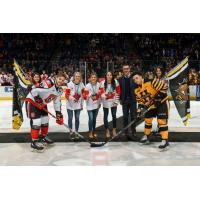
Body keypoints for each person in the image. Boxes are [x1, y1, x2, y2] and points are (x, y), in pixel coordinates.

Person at [25, 72, 66, 152]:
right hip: (32, 102)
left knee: (45, 120)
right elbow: (32, 89)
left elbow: (57, 102)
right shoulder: (48, 83)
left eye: (63, 80)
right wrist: (37, 98)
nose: (61, 81)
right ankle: (34, 142)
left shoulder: (60, 90)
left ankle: (43, 137)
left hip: (42, 104)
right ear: (56, 78)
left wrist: (58, 113)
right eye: (59, 79)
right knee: (37, 121)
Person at [132, 72, 170, 150]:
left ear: (141, 77)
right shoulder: (136, 89)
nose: (135, 80)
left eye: (136, 78)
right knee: (147, 120)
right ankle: (147, 136)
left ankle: (165, 140)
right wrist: (139, 111)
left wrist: (158, 97)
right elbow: (140, 101)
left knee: (161, 121)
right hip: (151, 105)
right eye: (134, 79)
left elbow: (165, 87)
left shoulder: (151, 81)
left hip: (162, 102)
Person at [100, 71, 120, 139]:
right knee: (105, 116)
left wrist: (116, 102)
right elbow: (100, 93)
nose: (109, 76)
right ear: (106, 76)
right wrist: (104, 96)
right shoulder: (102, 83)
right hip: (105, 102)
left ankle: (114, 130)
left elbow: (118, 92)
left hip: (113, 102)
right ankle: (107, 130)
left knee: (114, 116)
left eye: (110, 75)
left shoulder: (116, 82)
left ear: (112, 76)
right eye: (107, 75)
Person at [119, 64, 137, 140]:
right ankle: (125, 132)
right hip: (125, 101)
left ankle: (133, 132)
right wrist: (120, 99)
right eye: (124, 69)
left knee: (133, 117)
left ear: (129, 69)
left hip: (133, 100)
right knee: (125, 117)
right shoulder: (120, 79)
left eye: (127, 68)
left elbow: (137, 88)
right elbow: (119, 90)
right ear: (123, 70)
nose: (126, 70)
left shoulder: (134, 78)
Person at [65, 72, 85, 140]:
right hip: (70, 104)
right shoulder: (69, 84)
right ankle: (71, 132)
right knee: (70, 118)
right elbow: (66, 95)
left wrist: (82, 104)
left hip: (78, 105)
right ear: (74, 77)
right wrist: (73, 98)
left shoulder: (82, 85)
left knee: (77, 118)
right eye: (76, 76)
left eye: (79, 76)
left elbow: (82, 96)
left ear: (80, 77)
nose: (77, 77)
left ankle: (76, 132)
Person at [83, 73, 101, 140]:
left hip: (96, 105)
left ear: (96, 78)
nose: (93, 78)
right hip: (89, 106)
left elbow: (100, 95)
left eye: (94, 77)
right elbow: (85, 97)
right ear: (90, 78)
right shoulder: (87, 86)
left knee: (94, 119)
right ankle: (90, 132)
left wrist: (99, 103)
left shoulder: (99, 85)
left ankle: (94, 131)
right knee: (91, 119)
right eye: (92, 77)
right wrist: (87, 96)